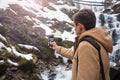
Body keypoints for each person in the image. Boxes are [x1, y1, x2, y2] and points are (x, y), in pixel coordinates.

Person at [49, 9, 113, 80]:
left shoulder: (86, 46)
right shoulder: (97, 39)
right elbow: (76, 55)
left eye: (74, 26)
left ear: (79, 26)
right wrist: (57, 48)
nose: (74, 28)